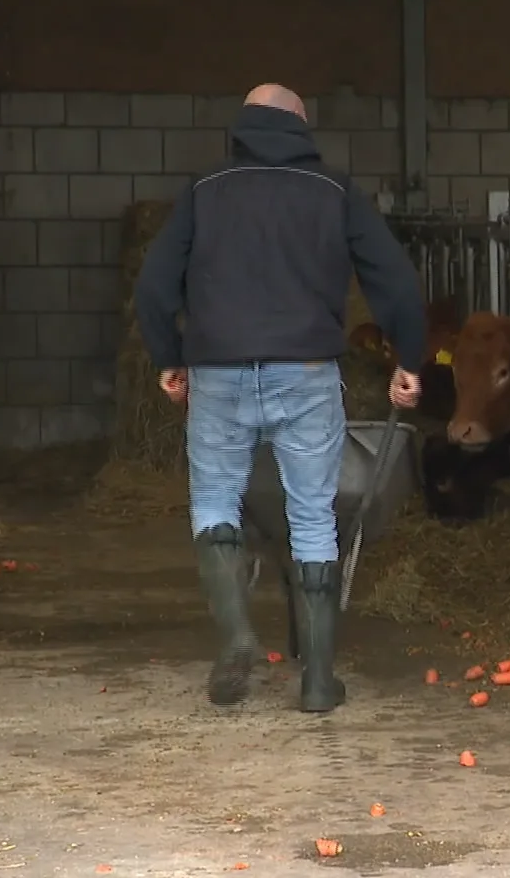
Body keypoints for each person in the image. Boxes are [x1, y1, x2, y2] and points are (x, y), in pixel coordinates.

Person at [134, 83, 426, 713]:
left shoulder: (205, 190)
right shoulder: (334, 190)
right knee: (314, 516)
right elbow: (393, 277)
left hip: (217, 370)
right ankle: (319, 682)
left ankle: (238, 636)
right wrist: (408, 356)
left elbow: (154, 285)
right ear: (300, 127)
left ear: (242, 126)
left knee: (215, 501)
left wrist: (168, 358)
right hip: (306, 371)